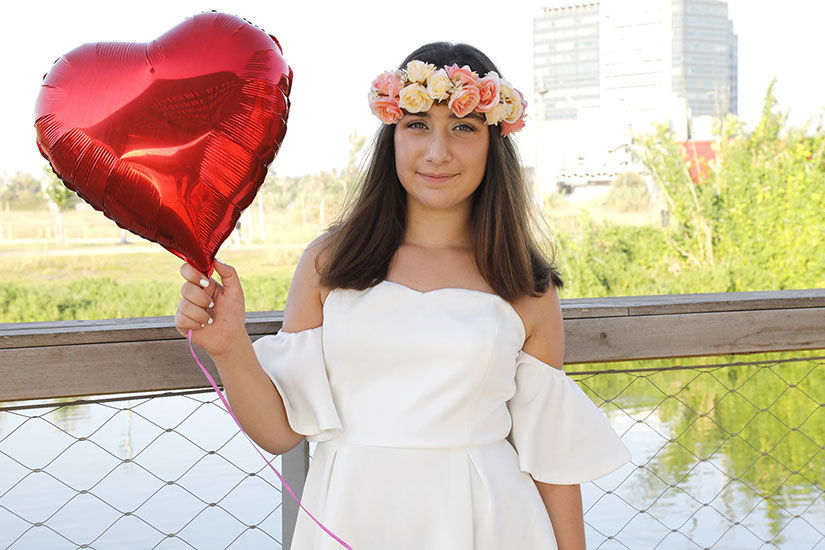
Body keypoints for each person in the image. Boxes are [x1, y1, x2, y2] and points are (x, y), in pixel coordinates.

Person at [174, 42, 631, 550]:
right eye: (417, 125)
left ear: (494, 142)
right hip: (352, 512)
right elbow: (280, 434)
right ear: (391, 135)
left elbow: (552, 460)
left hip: (490, 524)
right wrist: (230, 347)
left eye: (463, 128)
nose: (437, 152)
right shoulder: (330, 263)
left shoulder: (523, 284)